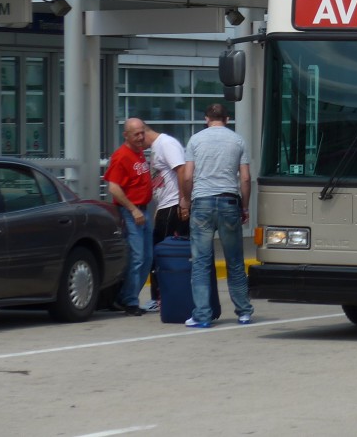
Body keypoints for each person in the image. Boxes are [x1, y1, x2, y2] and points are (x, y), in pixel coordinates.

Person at [179, 103, 254, 328]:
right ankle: (243, 311)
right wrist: (245, 207)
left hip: (202, 203)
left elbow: (187, 176)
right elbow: (246, 179)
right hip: (229, 201)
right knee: (234, 260)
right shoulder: (238, 141)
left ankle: (202, 315)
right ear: (227, 119)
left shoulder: (195, 140)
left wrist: (186, 199)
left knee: (201, 262)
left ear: (206, 119)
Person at [103, 118, 153, 315]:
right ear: (126, 135)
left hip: (144, 210)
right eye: (136, 134)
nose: (141, 137)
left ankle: (127, 296)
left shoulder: (139, 153)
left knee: (148, 257)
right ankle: (129, 301)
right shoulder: (121, 156)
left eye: (142, 133)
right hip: (132, 212)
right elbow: (114, 188)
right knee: (137, 257)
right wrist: (133, 209)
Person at [144, 123, 189, 313]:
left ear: (145, 131)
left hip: (172, 205)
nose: (138, 141)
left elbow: (181, 170)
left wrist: (182, 200)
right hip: (165, 206)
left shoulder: (166, 144)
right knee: (158, 251)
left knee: (159, 252)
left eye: (139, 135)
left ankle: (159, 297)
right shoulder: (157, 147)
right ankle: (162, 296)